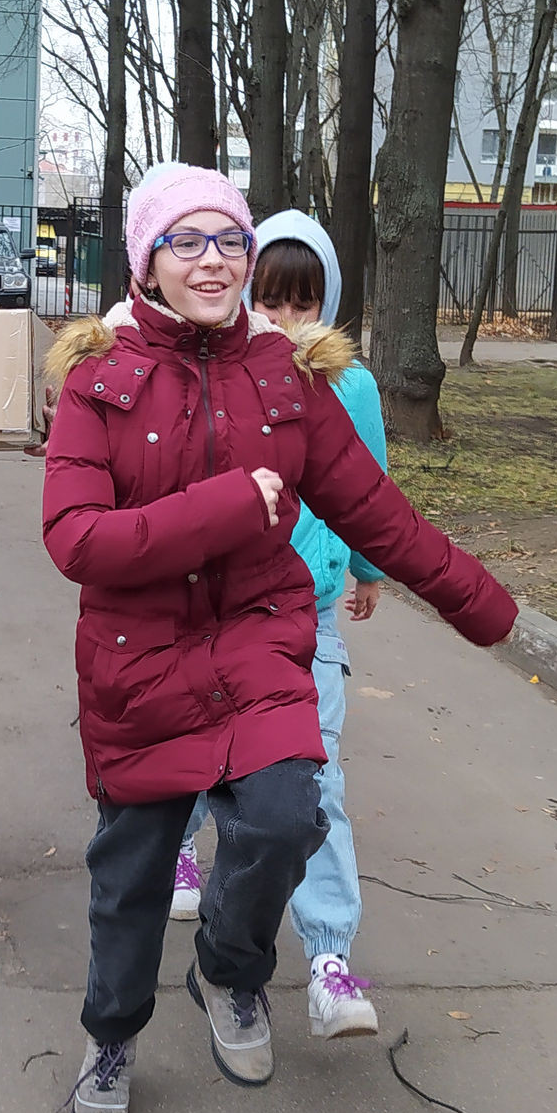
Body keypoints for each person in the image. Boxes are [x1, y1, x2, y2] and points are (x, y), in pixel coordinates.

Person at [42, 163, 517, 1113]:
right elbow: (76, 538)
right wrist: (222, 506)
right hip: (135, 658)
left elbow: (373, 509)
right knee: (130, 879)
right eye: (187, 241)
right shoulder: (99, 375)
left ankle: (226, 964)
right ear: (149, 261)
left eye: (228, 241)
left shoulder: (286, 379)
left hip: (257, 642)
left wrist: (473, 597)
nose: (211, 260)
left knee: (287, 813)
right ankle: (112, 1035)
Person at [170, 210, 386, 1041]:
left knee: (315, 779)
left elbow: (368, 486)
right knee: (200, 753)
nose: (289, 321)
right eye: (273, 300)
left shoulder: (351, 384)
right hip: (217, 612)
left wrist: (366, 568)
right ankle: (185, 843)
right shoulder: (223, 372)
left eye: (305, 303)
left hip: (309, 619)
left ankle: (329, 959)